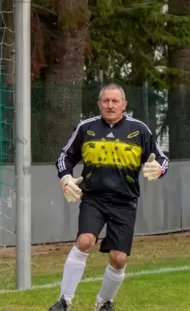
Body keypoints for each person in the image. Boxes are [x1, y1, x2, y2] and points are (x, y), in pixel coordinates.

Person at [48, 83, 169, 311]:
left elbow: (162, 159)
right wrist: (65, 177)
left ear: (124, 105)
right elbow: (64, 157)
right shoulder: (86, 128)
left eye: (115, 101)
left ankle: (103, 303)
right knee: (85, 241)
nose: (110, 105)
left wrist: (158, 168)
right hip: (93, 199)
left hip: (125, 202)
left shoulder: (139, 129)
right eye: (106, 101)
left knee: (119, 258)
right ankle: (64, 301)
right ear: (99, 105)